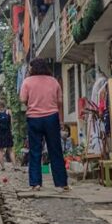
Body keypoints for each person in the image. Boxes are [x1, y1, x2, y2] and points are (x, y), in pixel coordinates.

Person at [19, 59, 69, 191]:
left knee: (35, 151)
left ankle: (35, 183)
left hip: (34, 118)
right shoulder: (53, 81)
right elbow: (59, 101)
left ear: (32, 68)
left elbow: (23, 99)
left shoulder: (27, 82)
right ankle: (61, 183)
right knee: (55, 150)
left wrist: (33, 103)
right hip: (51, 118)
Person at [0, 101, 13, 170]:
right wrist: (10, 130)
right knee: (10, 149)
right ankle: (15, 166)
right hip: (7, 132)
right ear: (4, 105)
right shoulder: (8, 111)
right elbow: (11, 122)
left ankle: (3, 167)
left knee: (0, 150)